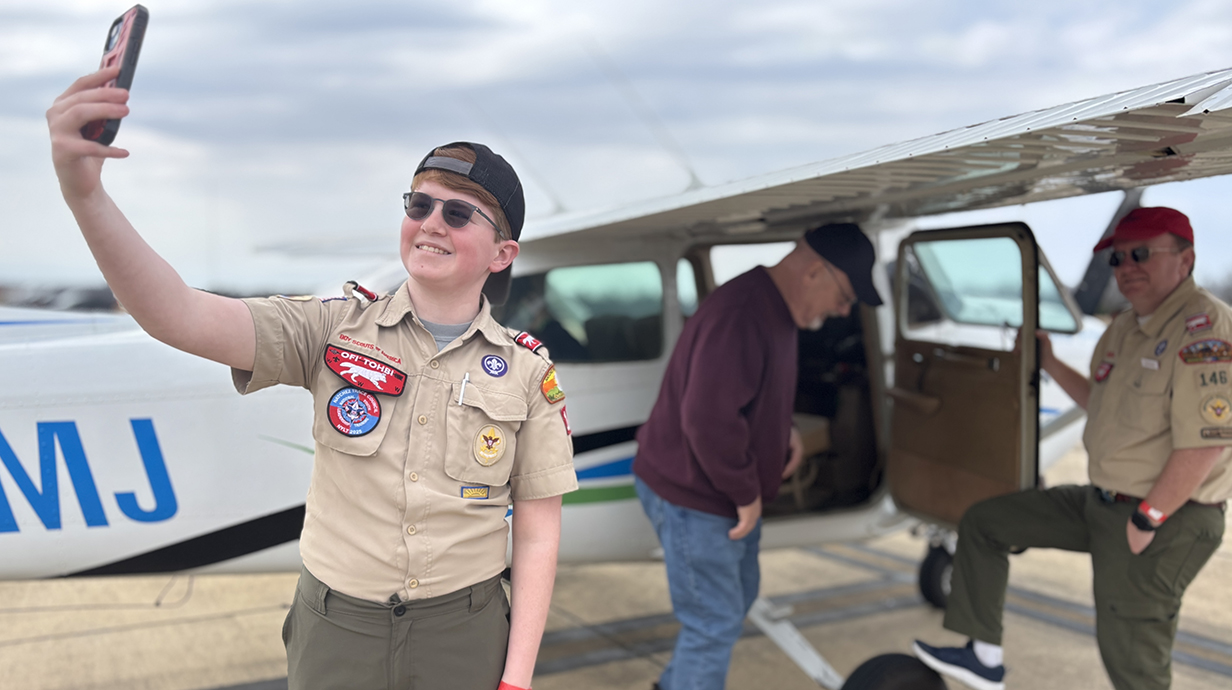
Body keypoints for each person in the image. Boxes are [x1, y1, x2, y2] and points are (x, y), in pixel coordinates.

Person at [47, 66, 577, 690]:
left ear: (501, 254)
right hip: (337, 630)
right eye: (419, 204)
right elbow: (178, 313)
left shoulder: (527, 370)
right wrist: (85, 195)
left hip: (464, 633)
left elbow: (539, 533)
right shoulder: (331, 329)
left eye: (458, 214)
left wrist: (516, 679)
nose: (431, 222)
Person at [914, 207, 1232, 690]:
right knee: (986, 523)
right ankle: (983, 656)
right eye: (1118, 259)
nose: (1127, 268)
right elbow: (1100, 404)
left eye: (1141, 254)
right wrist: (1050, 363)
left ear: (1185, 260)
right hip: (1102, 501)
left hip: (1166, 517)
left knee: (1132, 662)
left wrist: (1148, 518)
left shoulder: (1204, 331)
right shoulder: (1125, 328)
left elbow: (1206, 444)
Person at [632, 223, 883, 690]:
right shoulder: (744, 313)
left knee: (734, 601)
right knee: (714, 624)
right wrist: (746, 494)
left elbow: (742, 393)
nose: (842, 311)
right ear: (814, 273)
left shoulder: (775, 308)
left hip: (715, 491)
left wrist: (781, 429)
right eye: (844, 296)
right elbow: (707, 419)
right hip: (697, 496)